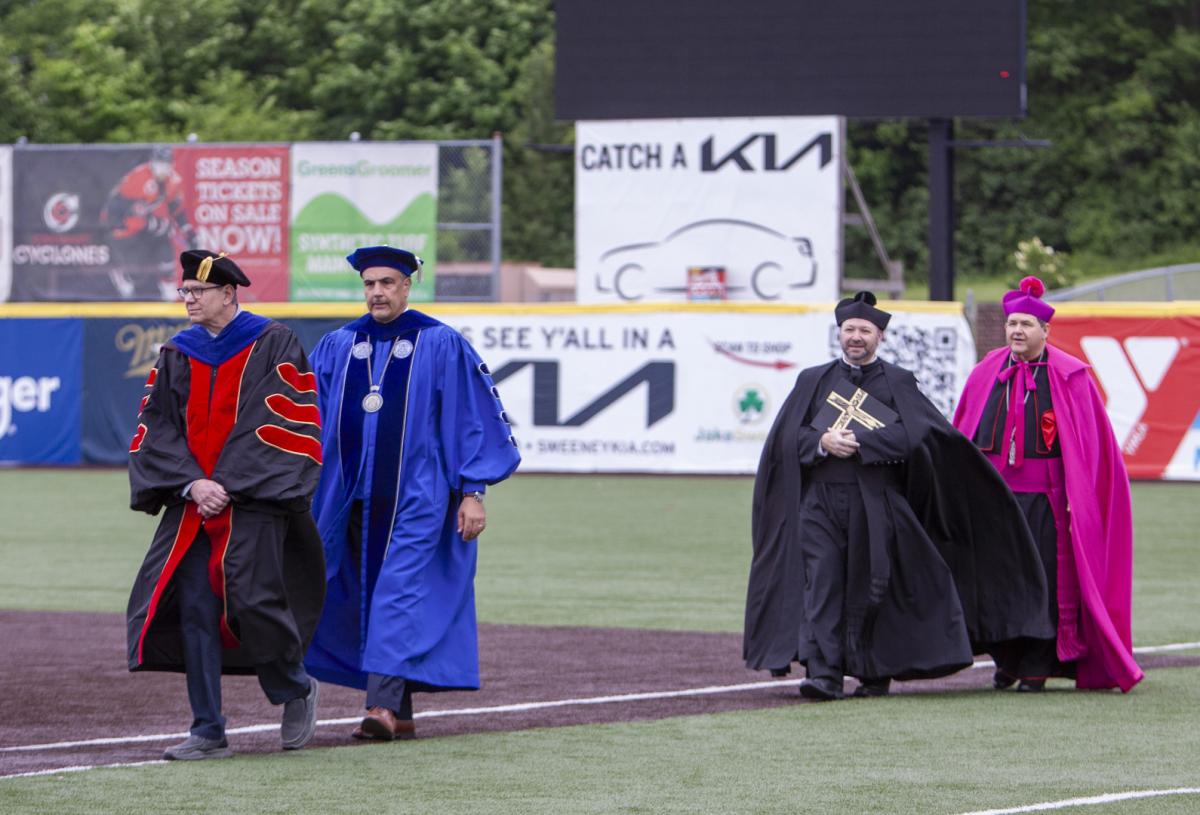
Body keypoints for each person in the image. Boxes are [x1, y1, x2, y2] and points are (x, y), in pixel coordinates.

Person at [744, 291, 1053, 700]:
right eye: (849, 330)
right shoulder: (812, 380)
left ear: (880, 336)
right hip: (820, 501)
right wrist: (822, 442)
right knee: (821, 583)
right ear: (840, 333)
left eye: (865, 331)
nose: (856, 337)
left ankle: (874, 672)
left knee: (873, 587)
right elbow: (787, 437)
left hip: (876, 502)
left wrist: (860, 442)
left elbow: (917, 435)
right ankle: (824, 673)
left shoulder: (899, 382)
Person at [306, 245, 521, 740]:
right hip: (346, 499)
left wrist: (473, 491)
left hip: (418, 499)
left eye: (387, 283)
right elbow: (306, 417)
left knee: (398, 593)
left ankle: (379, 707)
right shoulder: (339, 345)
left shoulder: (441, 344)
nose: (377, 292)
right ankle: (400, 712)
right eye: (369, 284)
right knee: (356, 594)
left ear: (407, 286)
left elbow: (473, 419)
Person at [126, 250, 326, 760]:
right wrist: (193, 484)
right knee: (193, 607)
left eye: (198, 292)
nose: (188, 299)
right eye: (184, 291)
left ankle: (294, 686)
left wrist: (226, 485)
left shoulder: (272, 342)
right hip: (194, 506)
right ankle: (208, 729)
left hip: (253, 500)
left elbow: (279, 421)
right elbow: (157, 426)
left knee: (253, 599)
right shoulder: (178, 352)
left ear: (229, 293)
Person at [953, 276, 1142, 693]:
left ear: (1045, 331)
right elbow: (963, 433)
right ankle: (1007, 659)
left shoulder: (1070, 376)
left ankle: (1037, 664)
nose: (1017, 331)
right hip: (995, 500)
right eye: (1012, 324)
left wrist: (1081, 499)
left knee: (1044, 584)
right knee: (997, 580)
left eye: (1026, 324)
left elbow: (1090, 448)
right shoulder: (987, 372)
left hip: (1047, 503)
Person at [102, 144, 197, 301]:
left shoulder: (173, 181)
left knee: (166, 254)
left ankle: (169, 293)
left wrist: (189, 233)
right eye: (160, 162)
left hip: (147, 224)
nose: (163, 168)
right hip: (123, 226)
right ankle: (124, 276)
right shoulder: (136, 179)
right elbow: (117, 214)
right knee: (136, 273)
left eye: (166, 163)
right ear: (152, 162)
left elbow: (177, 210)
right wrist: (150, 224)